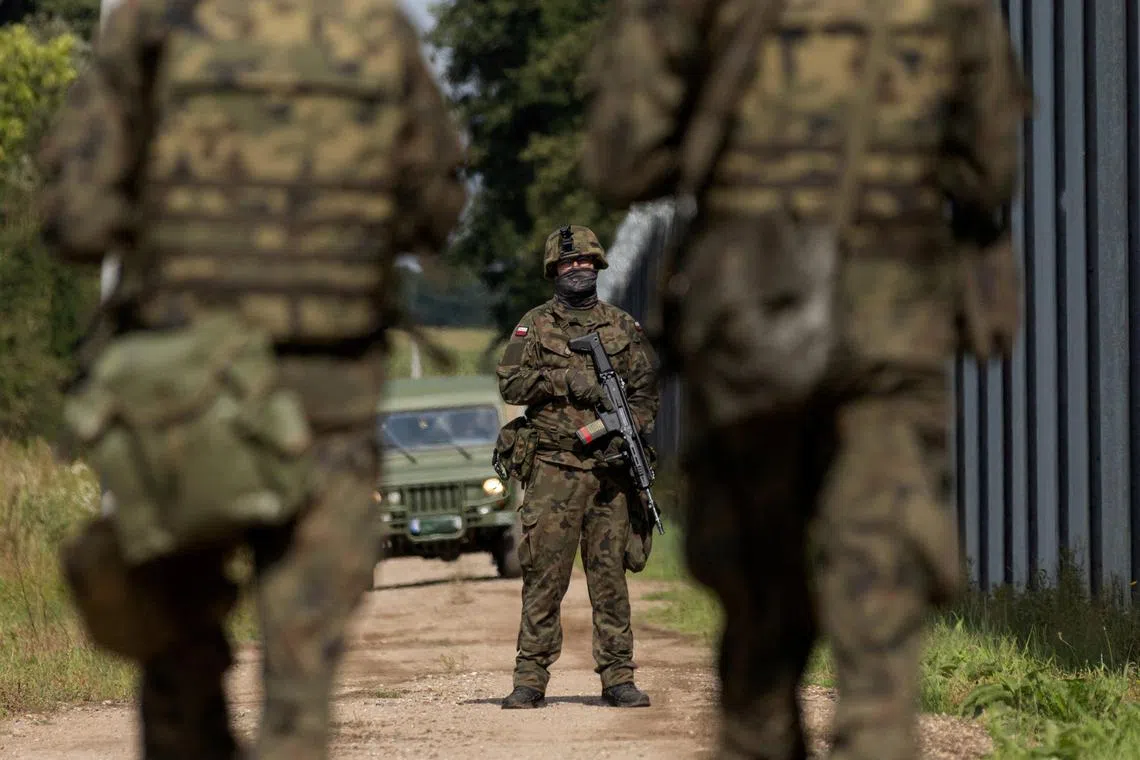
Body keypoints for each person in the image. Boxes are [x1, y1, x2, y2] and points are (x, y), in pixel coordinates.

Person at [580, 1, 1031, 758]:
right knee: (882, 560)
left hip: (748, 304)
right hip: (893, 310)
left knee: (758, 576)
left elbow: (621, 160)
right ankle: (880, 737)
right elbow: (990, 168)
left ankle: (760, 732)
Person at [36, 0, 466, 758]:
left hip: (183, 397)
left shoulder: (154, 23)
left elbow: (76, 218)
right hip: (325, 399)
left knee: (172, 643)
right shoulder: (375, 28)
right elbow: (435, 205)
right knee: (300, 681)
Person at [495, 225, 661, 709]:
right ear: (553, 271)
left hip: (610, 475)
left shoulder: (622, 327)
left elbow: (647, 391)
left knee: (610, 578)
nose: (577, 269)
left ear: (598, 267)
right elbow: (511, 385)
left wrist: (626, 430)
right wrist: (566, 378)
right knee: (544, 576)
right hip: (553, 469)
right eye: (568, 264)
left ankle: (618, 676)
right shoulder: (533, 325)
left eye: (585, 262)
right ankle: (530, 678)